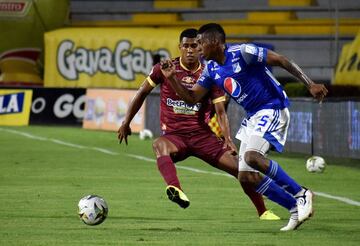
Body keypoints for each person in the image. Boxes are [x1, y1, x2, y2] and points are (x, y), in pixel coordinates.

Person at [159, 23, 328, 231]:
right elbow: (192, 98)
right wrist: (173, 79)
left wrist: (309, 83)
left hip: (272, 107)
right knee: (246, 176)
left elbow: (281, 60)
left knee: (252, 157)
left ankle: (302, 193)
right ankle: (293, 207)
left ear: (214, 42)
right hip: (253, 115)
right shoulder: (211, 69)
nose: (198, 47)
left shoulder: (243, 52)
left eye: (201, 42)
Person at [118, 28, 280, 220]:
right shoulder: (165, 68)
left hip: (203, 136)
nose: (190, 50)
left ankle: (263, 211)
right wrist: (126, 121)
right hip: (174, 136)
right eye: (185, 46)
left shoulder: (210, 72)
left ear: (200, 47)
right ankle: (176, 189)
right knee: (158, 145)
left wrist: (227, 138)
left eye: (194, 45)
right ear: (179, 47)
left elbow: (220, 111)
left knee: (241, 170)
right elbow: (141, 93)